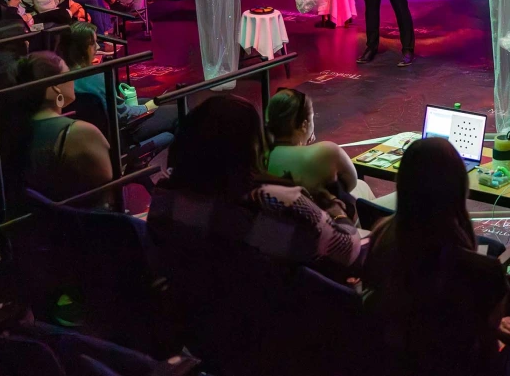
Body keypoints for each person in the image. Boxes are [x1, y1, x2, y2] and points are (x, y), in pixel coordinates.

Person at [363, 137, 510, 376]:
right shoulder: (479, 270)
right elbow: (479, 337)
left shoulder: (379, 239)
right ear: (459, 188)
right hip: (463, 365)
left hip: (402, 361)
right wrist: (491, 327)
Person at [148, 95, 361, 274]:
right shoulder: (277, 202)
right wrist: (337, 210)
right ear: (249, 148)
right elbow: (346, 250)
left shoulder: (164, 200)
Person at [8, 52, 114, 202]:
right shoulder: (81, 133)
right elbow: (109, 190)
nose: (73, 79)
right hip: (83, 221)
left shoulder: (12, 129)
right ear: (54, 87)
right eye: (68, 74)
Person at [56, 22, 175, 145]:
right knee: (177, 112)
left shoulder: (59, 77)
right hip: (120, 135)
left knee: (145, 99)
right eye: (93, 44)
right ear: (81, 50)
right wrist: (147, 108)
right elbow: (124, 116)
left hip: (88, 141)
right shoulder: (97, 78)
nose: (97, 47)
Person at [264, 88, 374, 199]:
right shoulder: (327, 151)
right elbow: (350, 183)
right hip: (321, 213)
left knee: (362, 186)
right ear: (304, 125)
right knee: (364, 190)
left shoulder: (262, 155)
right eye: (312, 118)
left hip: (283, 212)